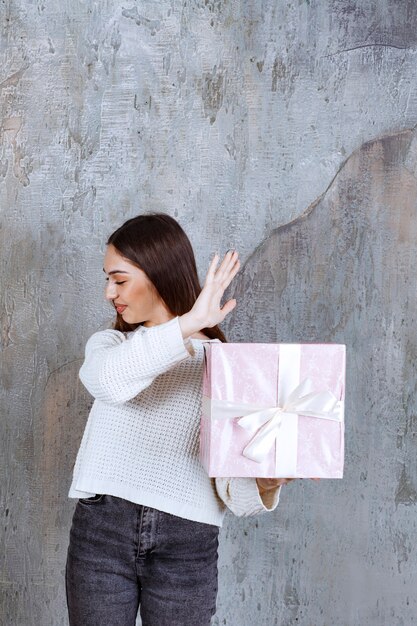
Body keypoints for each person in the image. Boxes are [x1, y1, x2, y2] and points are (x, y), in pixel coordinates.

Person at [65, 212, 294, 626]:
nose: (108, 293)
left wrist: (265, 481)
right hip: (103, 532)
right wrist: (189, 324)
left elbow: (232, 492)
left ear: (158, 273)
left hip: (187, 544)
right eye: (107, 280)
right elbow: (109, 383)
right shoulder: (111, 345)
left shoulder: (225, 368)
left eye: (118, 280)